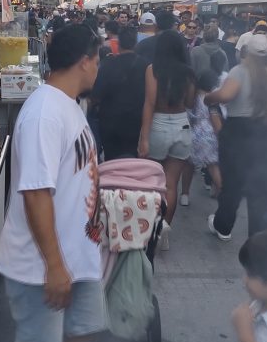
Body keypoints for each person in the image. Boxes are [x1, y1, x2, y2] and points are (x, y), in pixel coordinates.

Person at [0, 24, 113, 342]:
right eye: (97, 60)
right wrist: (54, 265)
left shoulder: (69, 105)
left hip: (77, 253)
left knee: (85, 327)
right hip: (42, 263)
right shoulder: (45, 111)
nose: (98, 68)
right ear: (84, 61)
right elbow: (35, 194)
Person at [205, 34, 267, 240]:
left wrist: (209, 97)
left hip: (238, 134)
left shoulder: (239, 72)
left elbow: (225, 96)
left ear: (246, 53)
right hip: (266, 133)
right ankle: (258, 237)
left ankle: (223, 226)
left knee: (233, 182)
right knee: (262, 187)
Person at [138, 30, 196, 249]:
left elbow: (149, 103)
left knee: (152, 183)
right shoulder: (189, 73)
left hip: (159, 125)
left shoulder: (153, 70)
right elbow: (190, 103)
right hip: (182, 125)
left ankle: (149, 228)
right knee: (171, 184)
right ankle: (165, 229)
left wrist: (144, 137)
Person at [90, 27, 147, 161]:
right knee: (134, 161)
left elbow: (96, 95)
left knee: (112, 162)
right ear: (135, 44)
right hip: (136, 123)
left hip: (110, 123)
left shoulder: (108, 64)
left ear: (118, 44)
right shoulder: (145, 65)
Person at [187, 69, 223, 200]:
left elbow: (191, 115)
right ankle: (221, 190)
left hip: (196, 133)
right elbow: (215, 118)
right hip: (210, 134)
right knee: (213, 165)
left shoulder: (196, 96)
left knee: (189, 164)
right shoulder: (212, 98)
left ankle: (185, 193)